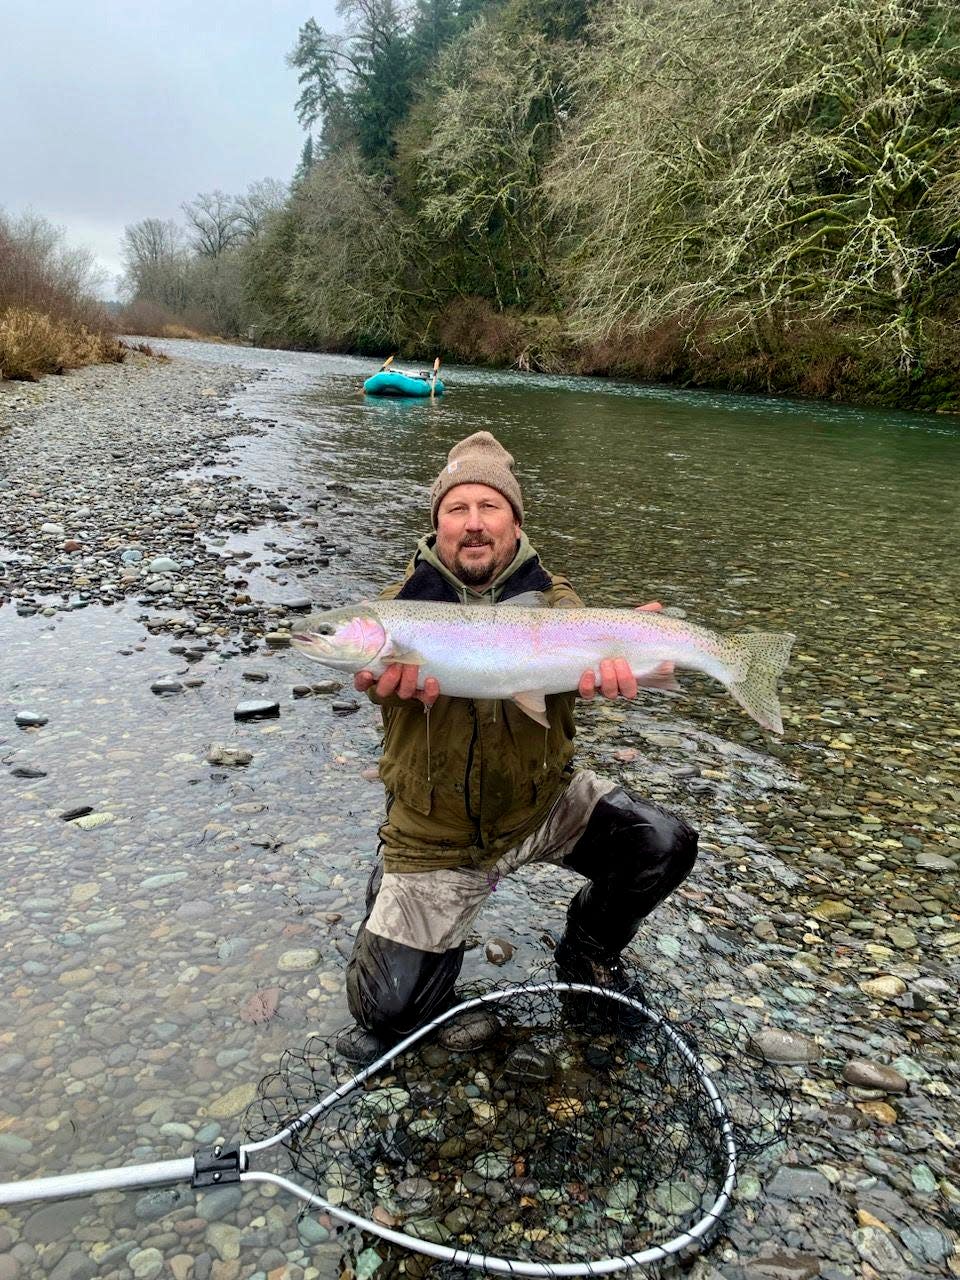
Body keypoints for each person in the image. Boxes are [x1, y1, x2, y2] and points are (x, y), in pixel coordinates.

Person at [337, 431, 698, 1064]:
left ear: (514, 521)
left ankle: (586, 948)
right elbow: (377, 688)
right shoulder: (400, 613)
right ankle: (393, 885)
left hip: (542, 806)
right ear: (438, 525)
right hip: (437, 834)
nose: (473, 524)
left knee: (662, 843)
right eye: (457, 509)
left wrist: (629, 663)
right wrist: (388, 690)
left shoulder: (559, 603)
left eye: (488, 507)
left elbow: (589, 664)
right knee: (386, 1015)